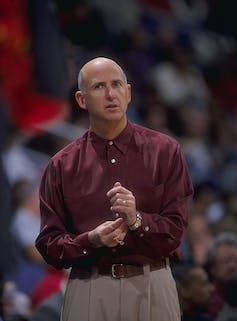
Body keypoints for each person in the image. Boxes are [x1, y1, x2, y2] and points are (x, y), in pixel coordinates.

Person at [35, 56, 193, 321]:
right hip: (89, 287)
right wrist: (90, 240)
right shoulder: (60, 166)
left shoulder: (166, 151)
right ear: (81, 100)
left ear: (128, 93)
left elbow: (176, 229)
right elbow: (49, 243)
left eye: (117, 84)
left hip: (153, 283)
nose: (110, 94)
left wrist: (137, 220)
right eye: (98, 87)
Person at [204, 232, 237, 319]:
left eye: (236, 261)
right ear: (212, 267)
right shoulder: (204, 299)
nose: (232, 266)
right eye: (226, 260)